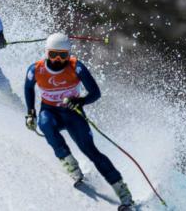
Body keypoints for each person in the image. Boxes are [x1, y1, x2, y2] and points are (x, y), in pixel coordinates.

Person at [24, 32, 135, 210]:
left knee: (91, 151)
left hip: (72, 114)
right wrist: (30, 112)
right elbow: (29, 88)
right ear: (46, 53)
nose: (58, 59)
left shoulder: (77, 67)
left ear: (69, 54)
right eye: (53, 54)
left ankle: (123, 193)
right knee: (44, 124)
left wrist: (79, 100)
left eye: (63, 55)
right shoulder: (35, 69)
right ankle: (71, 165)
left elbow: (95, 93)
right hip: (50, 111)